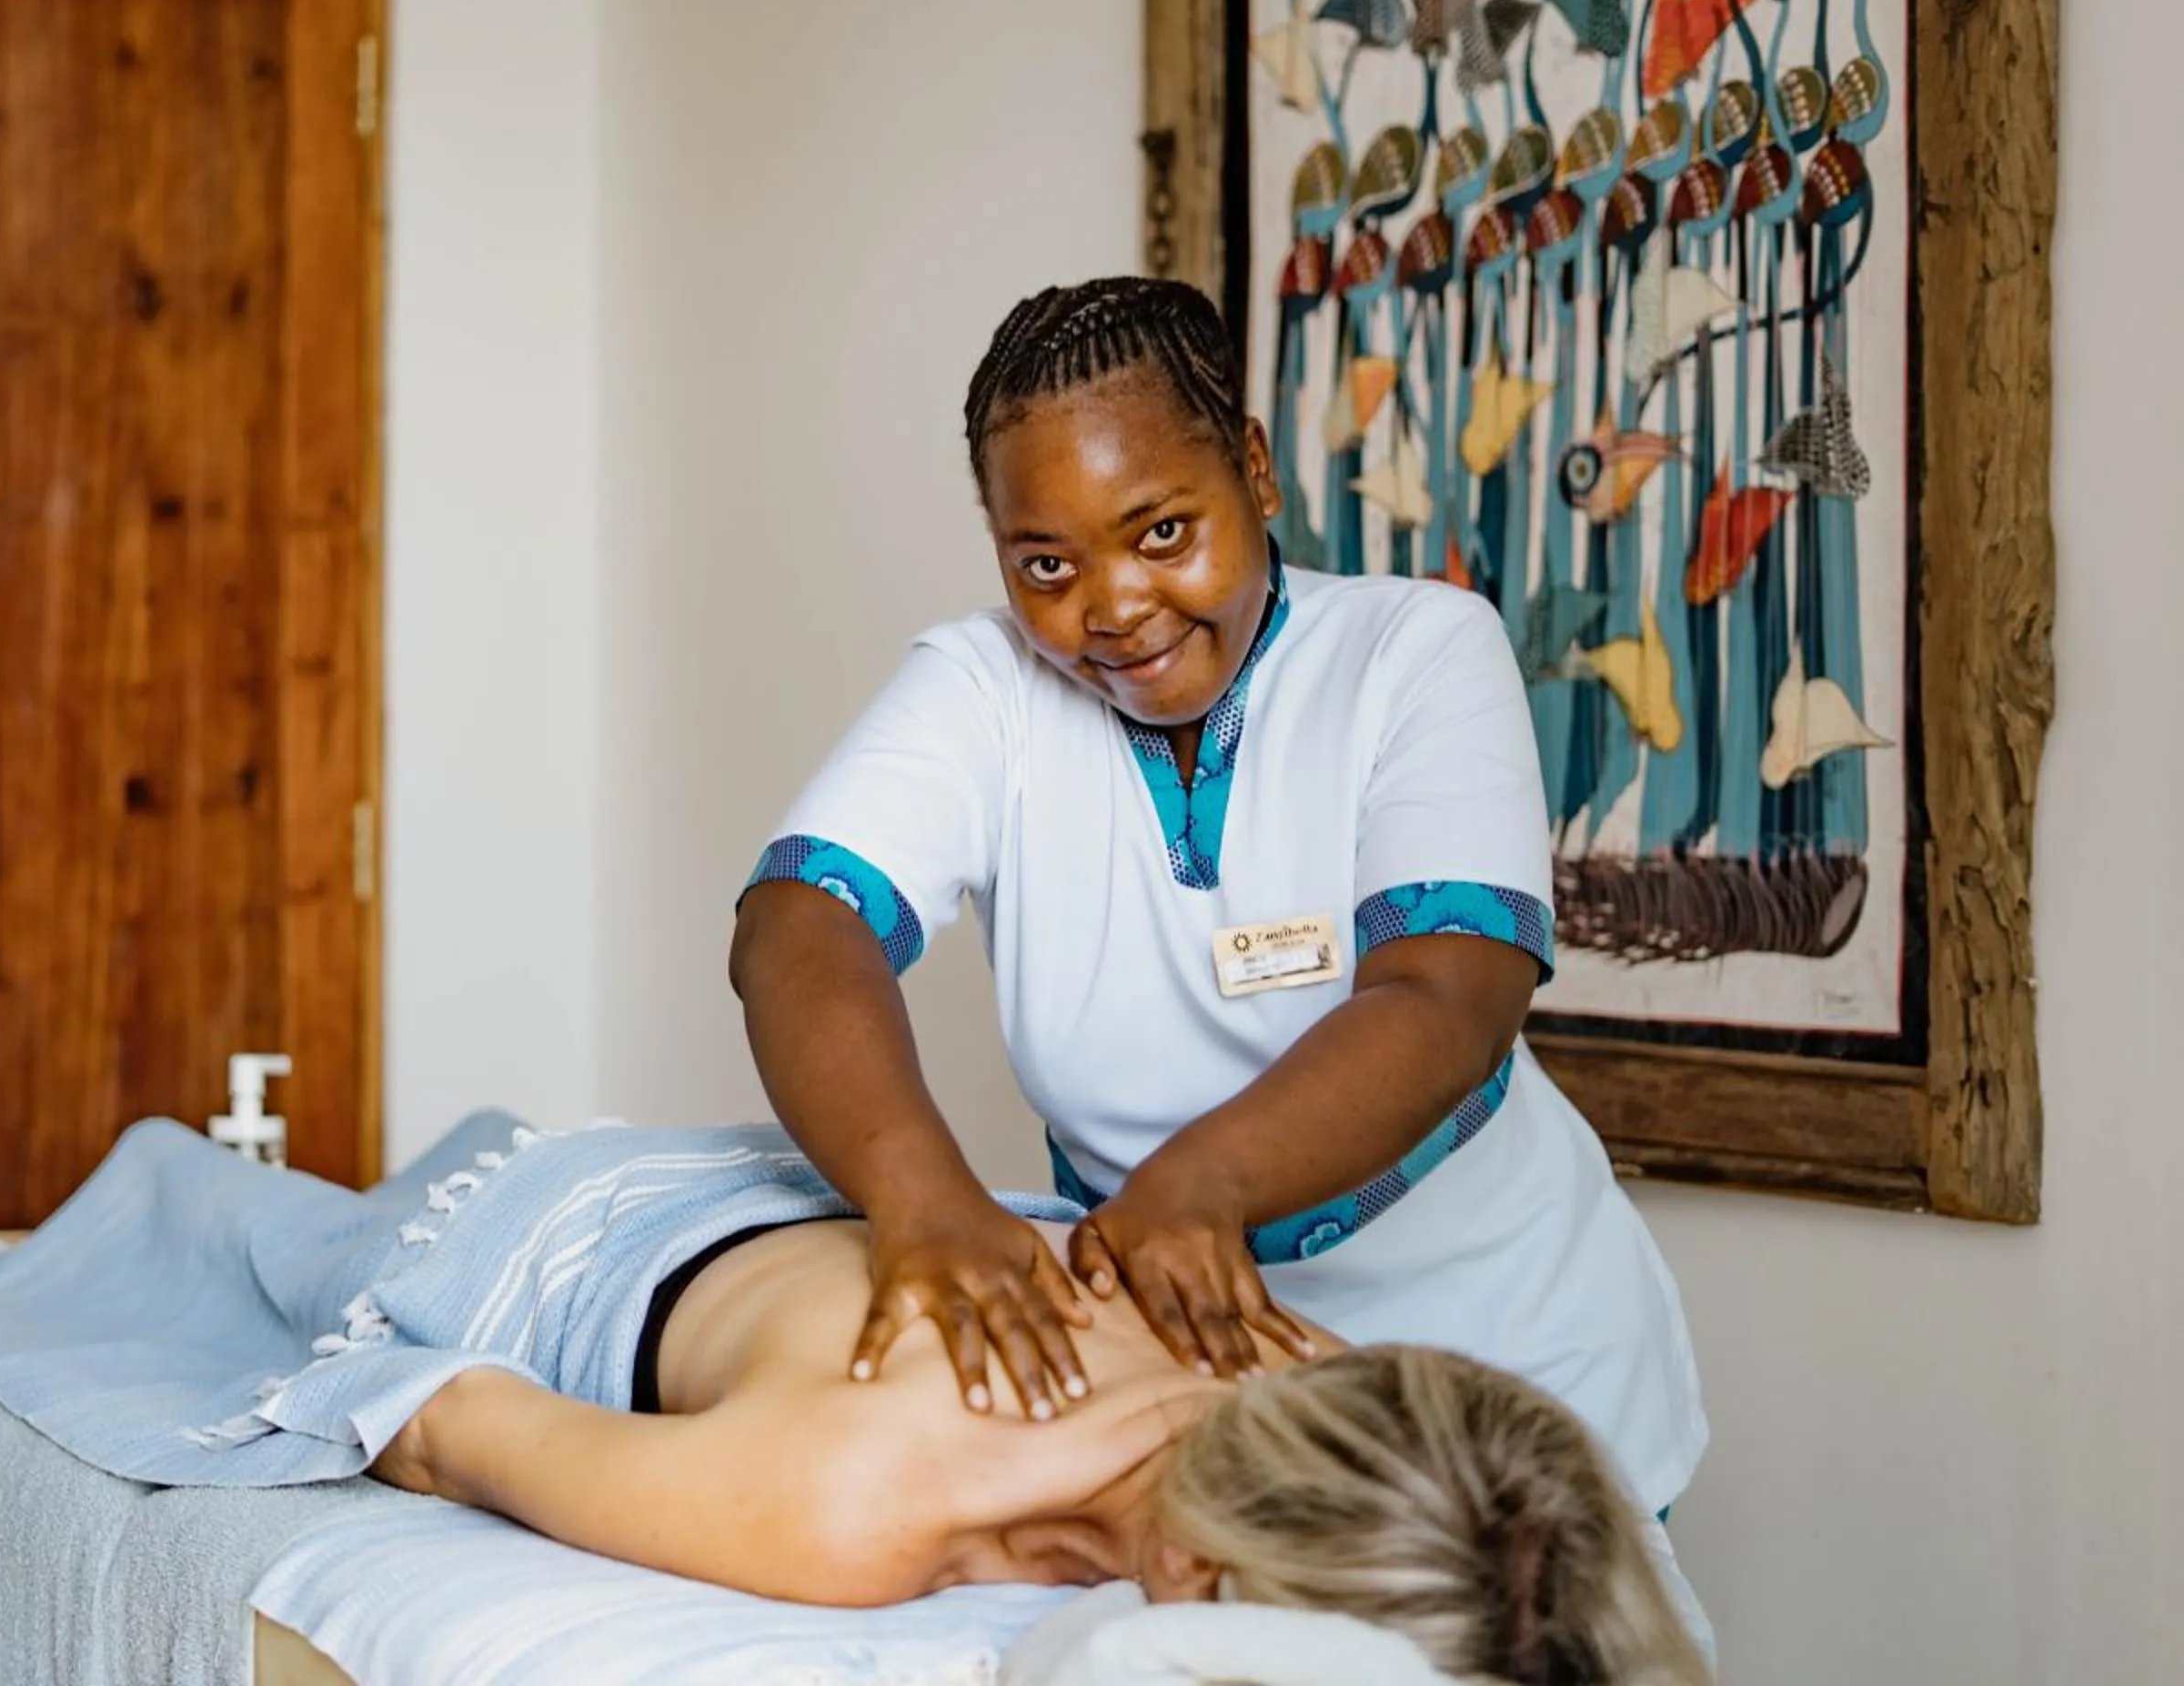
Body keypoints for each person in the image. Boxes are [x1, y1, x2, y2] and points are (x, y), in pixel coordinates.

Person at [725, 278, 1706, 1538]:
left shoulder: (1415, 651)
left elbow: (1452, 997)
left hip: (1510, 1348)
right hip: (1194, 1374)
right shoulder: (985, 690)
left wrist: (1202, 1181)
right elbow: (797, 929)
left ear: (1253, 470)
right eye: (1047, 563)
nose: (1114, 606)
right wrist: (923, 1200)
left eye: (1164, 533)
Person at [355, 1118, 1709, 1683]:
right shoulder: (844, 1501)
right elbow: (441, 1427)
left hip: (824, 1201)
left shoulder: (1313, 1378)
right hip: (568, 1214)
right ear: (1195, 1573)